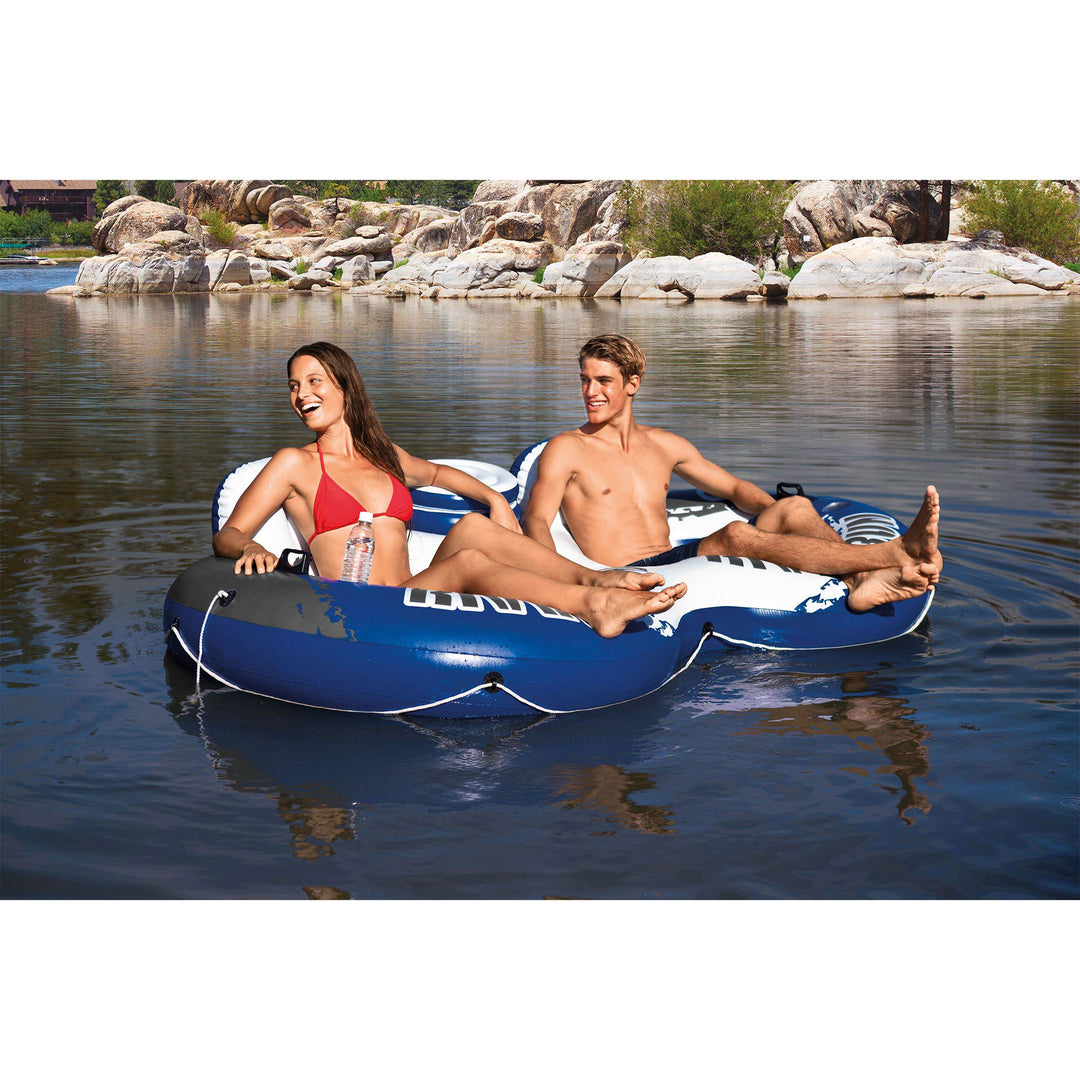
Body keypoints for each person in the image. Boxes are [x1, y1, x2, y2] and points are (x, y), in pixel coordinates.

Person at [212, 341, 686, 638]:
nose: (301, 395)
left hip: (410, 593)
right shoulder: (295, 463)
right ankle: (593, 604)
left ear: (345, 388)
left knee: (473, 529)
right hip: (361, 609)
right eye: (294, 386)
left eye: (314, 381)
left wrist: (495, 500)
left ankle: (596, 579)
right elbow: (229, 534)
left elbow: (439, 475)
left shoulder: (383, 456)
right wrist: (250, 546)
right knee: (468, 561)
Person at [521, 334, 942, 613]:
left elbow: (736, 488)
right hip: (632, 569)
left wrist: (778, 515)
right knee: (736, 536)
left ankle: (862, 579)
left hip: (675, 556)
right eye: (585, 380)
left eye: (603, 381)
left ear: (632, 384)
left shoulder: (665, 445)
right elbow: (537, 520)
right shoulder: (567, 448)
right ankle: (890, 554)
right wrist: (568, 583)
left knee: (794, 507)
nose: (590, 392)